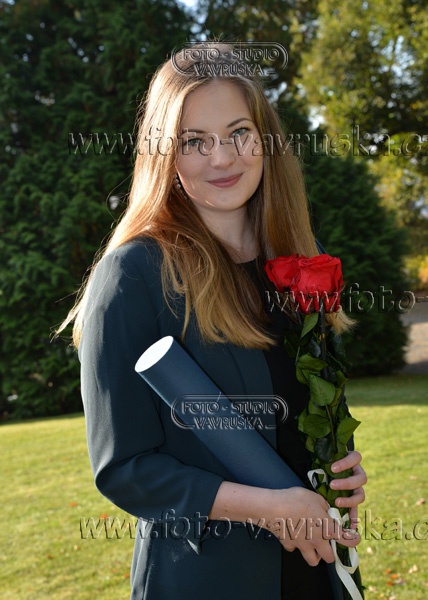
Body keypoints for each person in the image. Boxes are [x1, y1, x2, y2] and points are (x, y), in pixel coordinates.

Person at [61, 43, 366, 599]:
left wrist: (339, 466)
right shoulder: (133, 275)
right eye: (193, 141)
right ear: (165, 155)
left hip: (320, 566)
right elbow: (124, 468)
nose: (221, 158)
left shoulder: (302, 257)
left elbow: (313, 405)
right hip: (210, 578)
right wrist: (268, 507)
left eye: (238, 133)